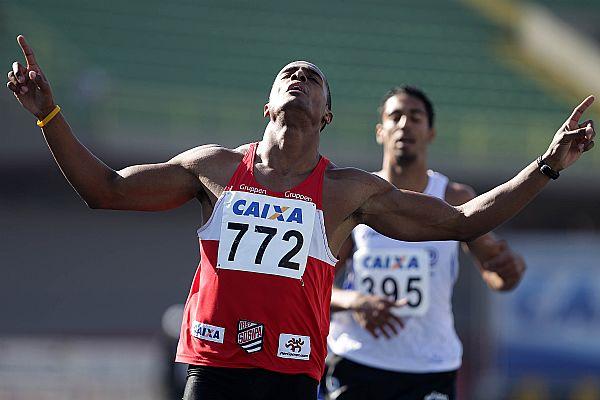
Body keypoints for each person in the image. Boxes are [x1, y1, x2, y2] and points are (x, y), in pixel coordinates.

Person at [6, 35, 595, 400]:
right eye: (288, 75)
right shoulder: (212, 168)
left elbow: (461, 222)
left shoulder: (347, 193)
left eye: (312, 80)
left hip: (293, 381)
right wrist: (48, 113)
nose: (299, 77)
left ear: (327, 114)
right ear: (268, 104)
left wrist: (548, 165)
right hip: (213, 372)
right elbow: (104, 190)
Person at [326, 86, 527, 400]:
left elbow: (495, 271)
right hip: (359, 358)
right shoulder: (358, 196)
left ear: (431, 132)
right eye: (395, 116)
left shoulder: (454, 198)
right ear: (380, 131)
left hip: (430, 365)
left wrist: (509, 270)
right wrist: (356, 302)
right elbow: (316, 285)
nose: (405, 123)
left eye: (415, 116)